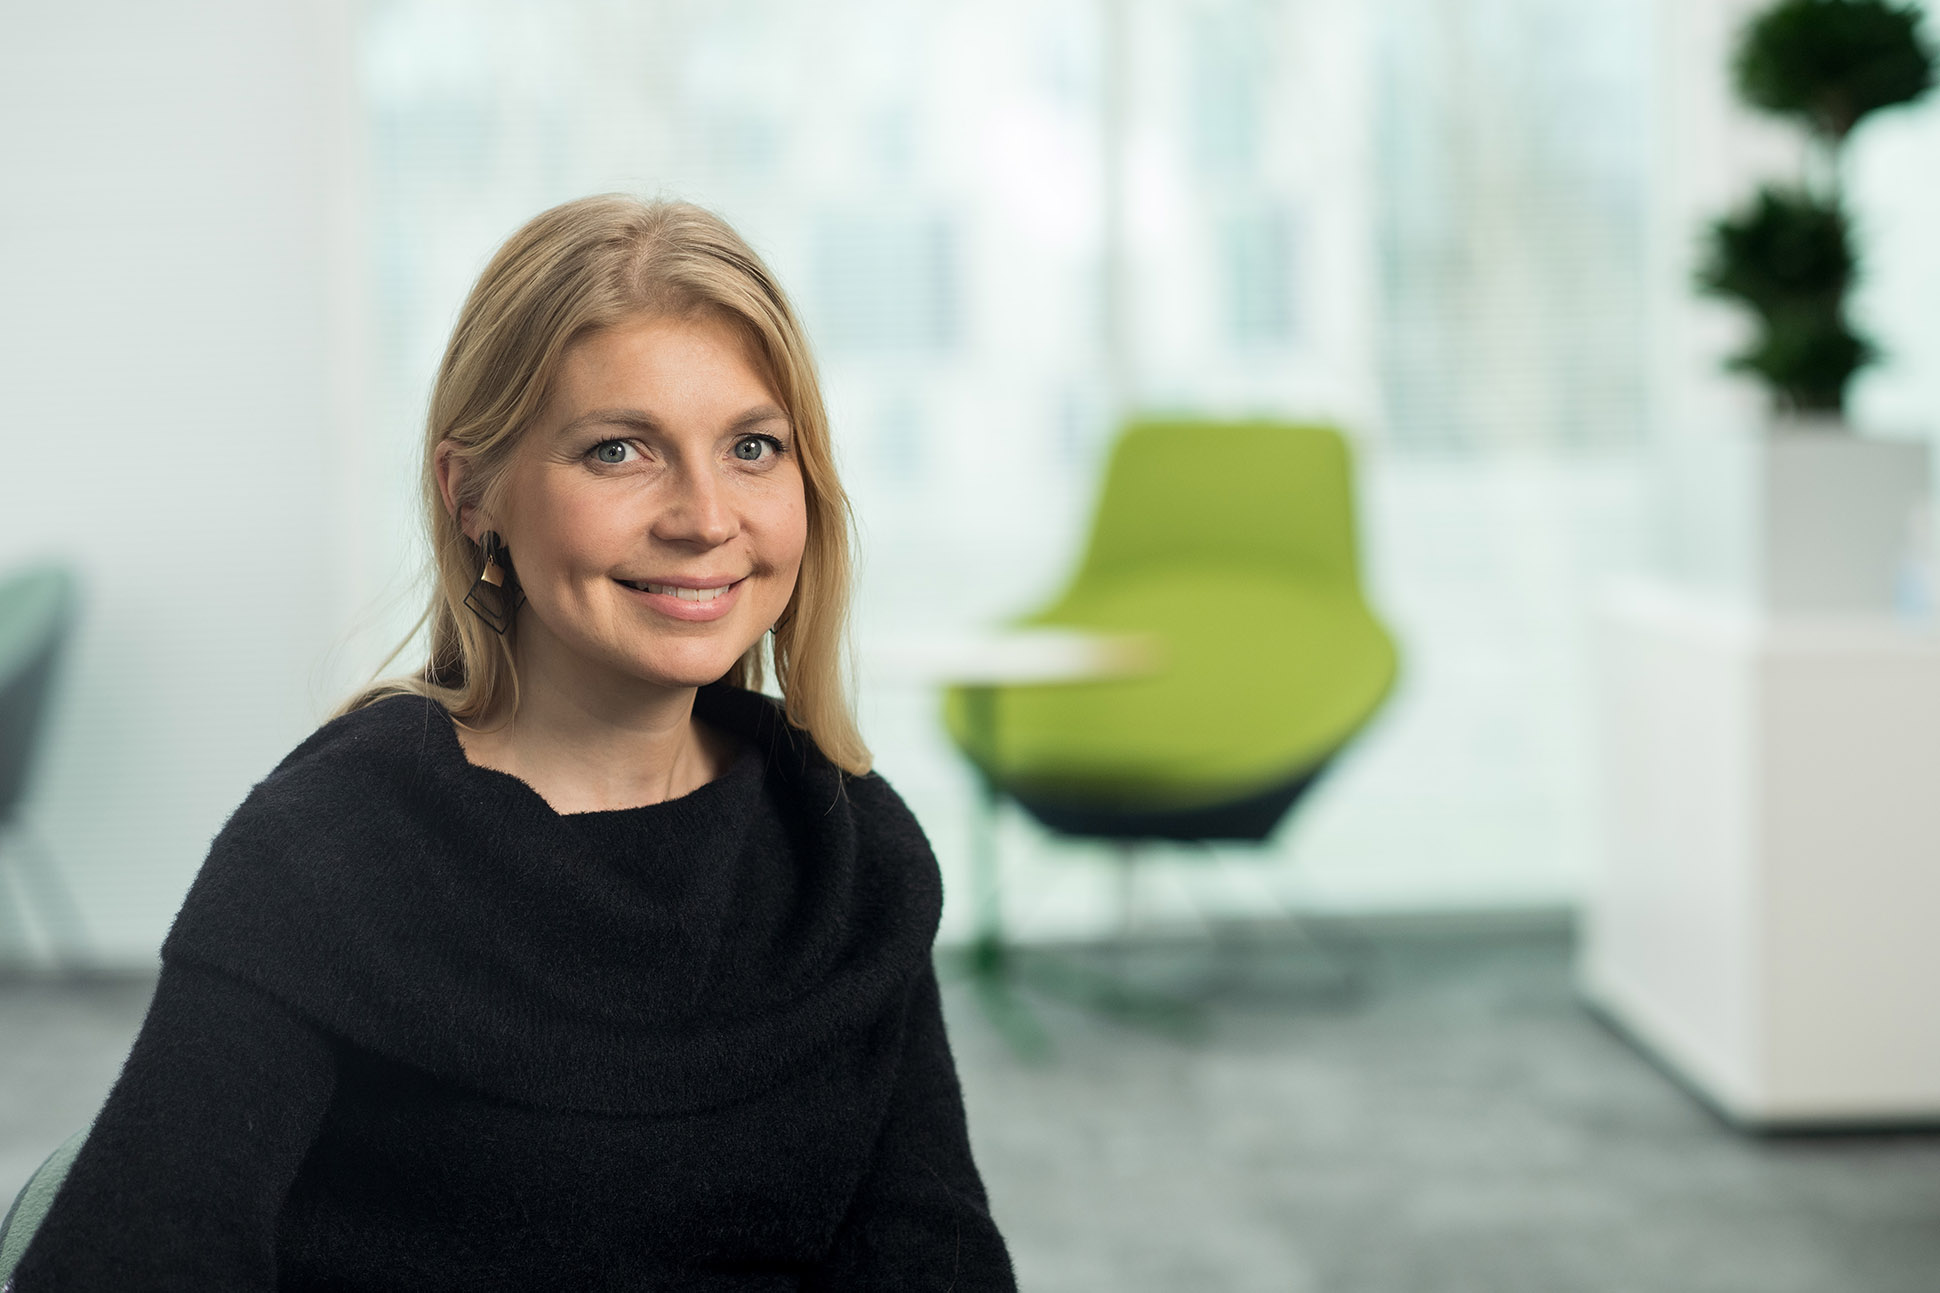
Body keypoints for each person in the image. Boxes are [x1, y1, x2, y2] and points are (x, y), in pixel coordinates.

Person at [11, 196, 1017, 1291]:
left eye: (752, 447)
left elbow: (931, 1256)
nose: (704, 516)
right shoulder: (336, 848)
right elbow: (123, 1260)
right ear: (473, 492)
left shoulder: (843, 847)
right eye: (618, 450)